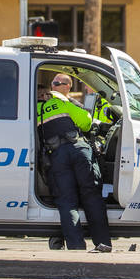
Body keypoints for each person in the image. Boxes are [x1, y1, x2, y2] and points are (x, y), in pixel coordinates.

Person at [36, 74, 113, 252]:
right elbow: (86, 123)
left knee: (66, 202)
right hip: (78, 150)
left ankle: (76, 247)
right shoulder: (62, 102)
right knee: (92, 197)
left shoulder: (35, 112)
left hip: (56, 156)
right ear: (48, 92)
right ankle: (103, 243)